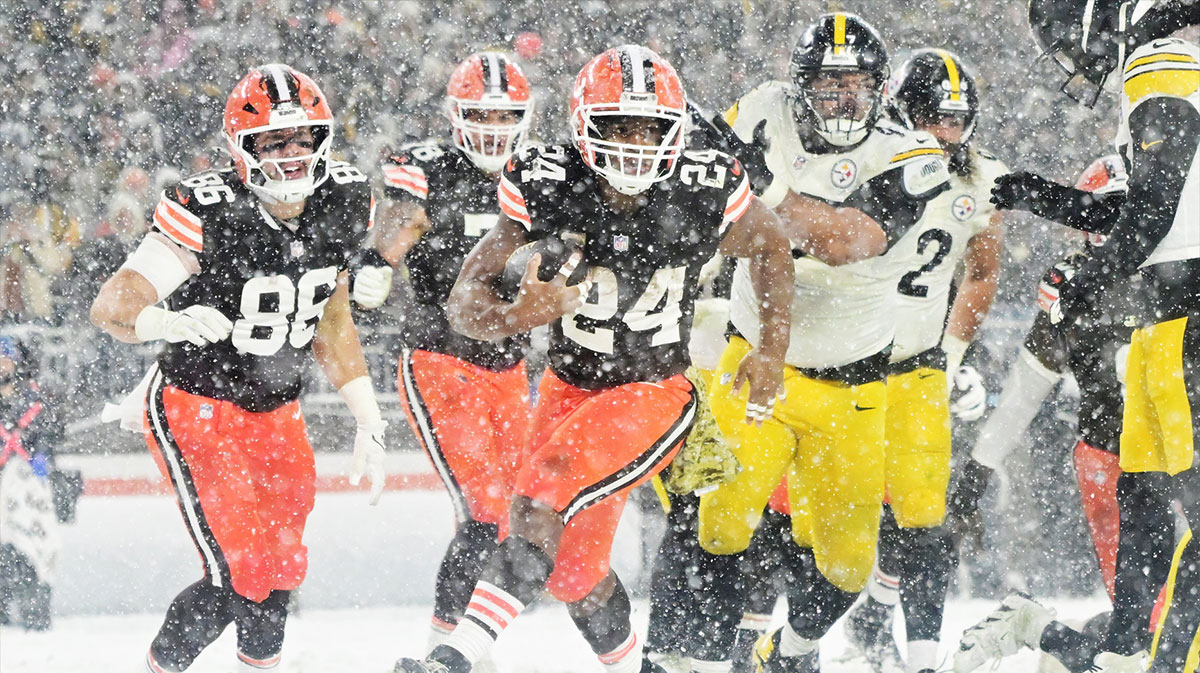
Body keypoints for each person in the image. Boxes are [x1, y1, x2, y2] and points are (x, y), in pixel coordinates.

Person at [395, 43, 795, 673]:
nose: (636, 145)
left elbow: (773, 246)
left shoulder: (702, 183)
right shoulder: (548, 182)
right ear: (584, 125)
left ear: (676, 133)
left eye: (650, 128)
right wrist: (519, 316)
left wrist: (771, 349)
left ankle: (455, 656)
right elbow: (461, 304)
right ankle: (634, 663)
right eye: (619, 127)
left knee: (539, 499)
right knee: (574, 573)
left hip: (653, 389)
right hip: (566, 386)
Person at [677, 13, 953, 673]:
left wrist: (761, 189)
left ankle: (792, 649)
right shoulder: (763, 110)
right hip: (757, 359)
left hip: (854, 382)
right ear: (800, 86)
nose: (843, 99)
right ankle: (705, 657)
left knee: (849, 564)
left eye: (856, 84)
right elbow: (696, 169)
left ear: (880, 89)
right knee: (719, 519)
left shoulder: (911, 153)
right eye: (828, 85)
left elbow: (844, 238)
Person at [90, 63, 388, 673]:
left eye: (302, 138)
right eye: (273, 142)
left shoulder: (346, 199)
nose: (291, 154)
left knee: (280, 571)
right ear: (241, 149)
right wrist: (160, 322)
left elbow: (331, 319)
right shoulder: (208, 208)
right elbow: (111, 305)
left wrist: (367, 414)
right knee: (242, 570)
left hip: (278, 410)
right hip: (196, 404)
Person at [955, 1, 1199, 672]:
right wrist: (1089, 271)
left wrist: (1044, 207)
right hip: (1177, 331)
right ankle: (1130, 655)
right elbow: (1149, 207)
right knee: (1162, 559)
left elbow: (1144, 207)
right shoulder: (1162, 64)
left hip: (1167, 331)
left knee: (1151, 530)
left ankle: (1114, 655)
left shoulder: (1160, 65)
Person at [350, 51, 537, 654]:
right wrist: (379, 260)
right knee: (485, 508)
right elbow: (404, 219)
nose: (492, 127)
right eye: (480, 113)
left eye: (505, 114)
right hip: (440, 359)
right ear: (456, 116)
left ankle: (463, 648)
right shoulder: (426, 164)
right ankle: (443, 651)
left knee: (512, 514)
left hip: (508, 364)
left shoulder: (539, 172)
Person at [840, 48, 1008, 673]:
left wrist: (955, 355)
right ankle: (799, 633)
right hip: (846, 357)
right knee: (839, 512)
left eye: (957, 120)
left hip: (918, 357)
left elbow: (982, 272)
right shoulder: (862, 161)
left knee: (922, 507)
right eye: (934, 117)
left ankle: (908, 642)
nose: (947, 133)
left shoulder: (979, 177)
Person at [0, 335, 64, 631]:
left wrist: (41, 455)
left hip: (27, 488)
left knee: (36, 548)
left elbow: (51, 431)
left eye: (6, 358)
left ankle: (35, 612)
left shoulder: (33, 400)